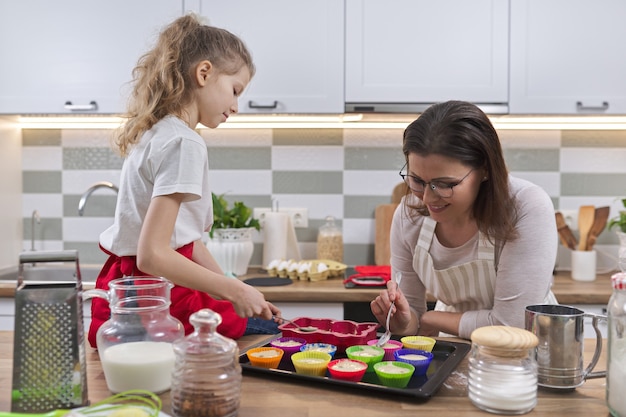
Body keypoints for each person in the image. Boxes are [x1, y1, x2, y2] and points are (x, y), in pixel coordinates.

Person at [88, 14, 281, 348]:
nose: (236, 106)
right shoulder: (184, 142)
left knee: (259, 323)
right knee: (275, 334)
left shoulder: (157, 132)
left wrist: (235, 291)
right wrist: (235, 290)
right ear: (204, 73)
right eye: (235, 90)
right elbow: (153, 255)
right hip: (159, 293)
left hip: (136, 287)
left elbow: (187, 242)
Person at [370, 100, 558, 340]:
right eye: (417, 180)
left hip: (527, 348)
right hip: (454, 341)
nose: (428, 198)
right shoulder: (409, 215)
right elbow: (411, 322)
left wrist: (429, 318)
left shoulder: (526, 206)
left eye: (446, 184)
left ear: (486, 170)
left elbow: (510, 324)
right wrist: (404, 321)